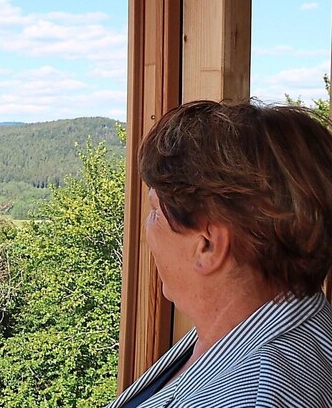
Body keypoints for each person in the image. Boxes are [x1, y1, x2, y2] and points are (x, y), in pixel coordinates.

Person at [107, 100, 332, 407]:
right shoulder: (246, 327)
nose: (147, 230)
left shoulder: (254, 395)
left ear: (208, 245)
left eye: (155, 211)